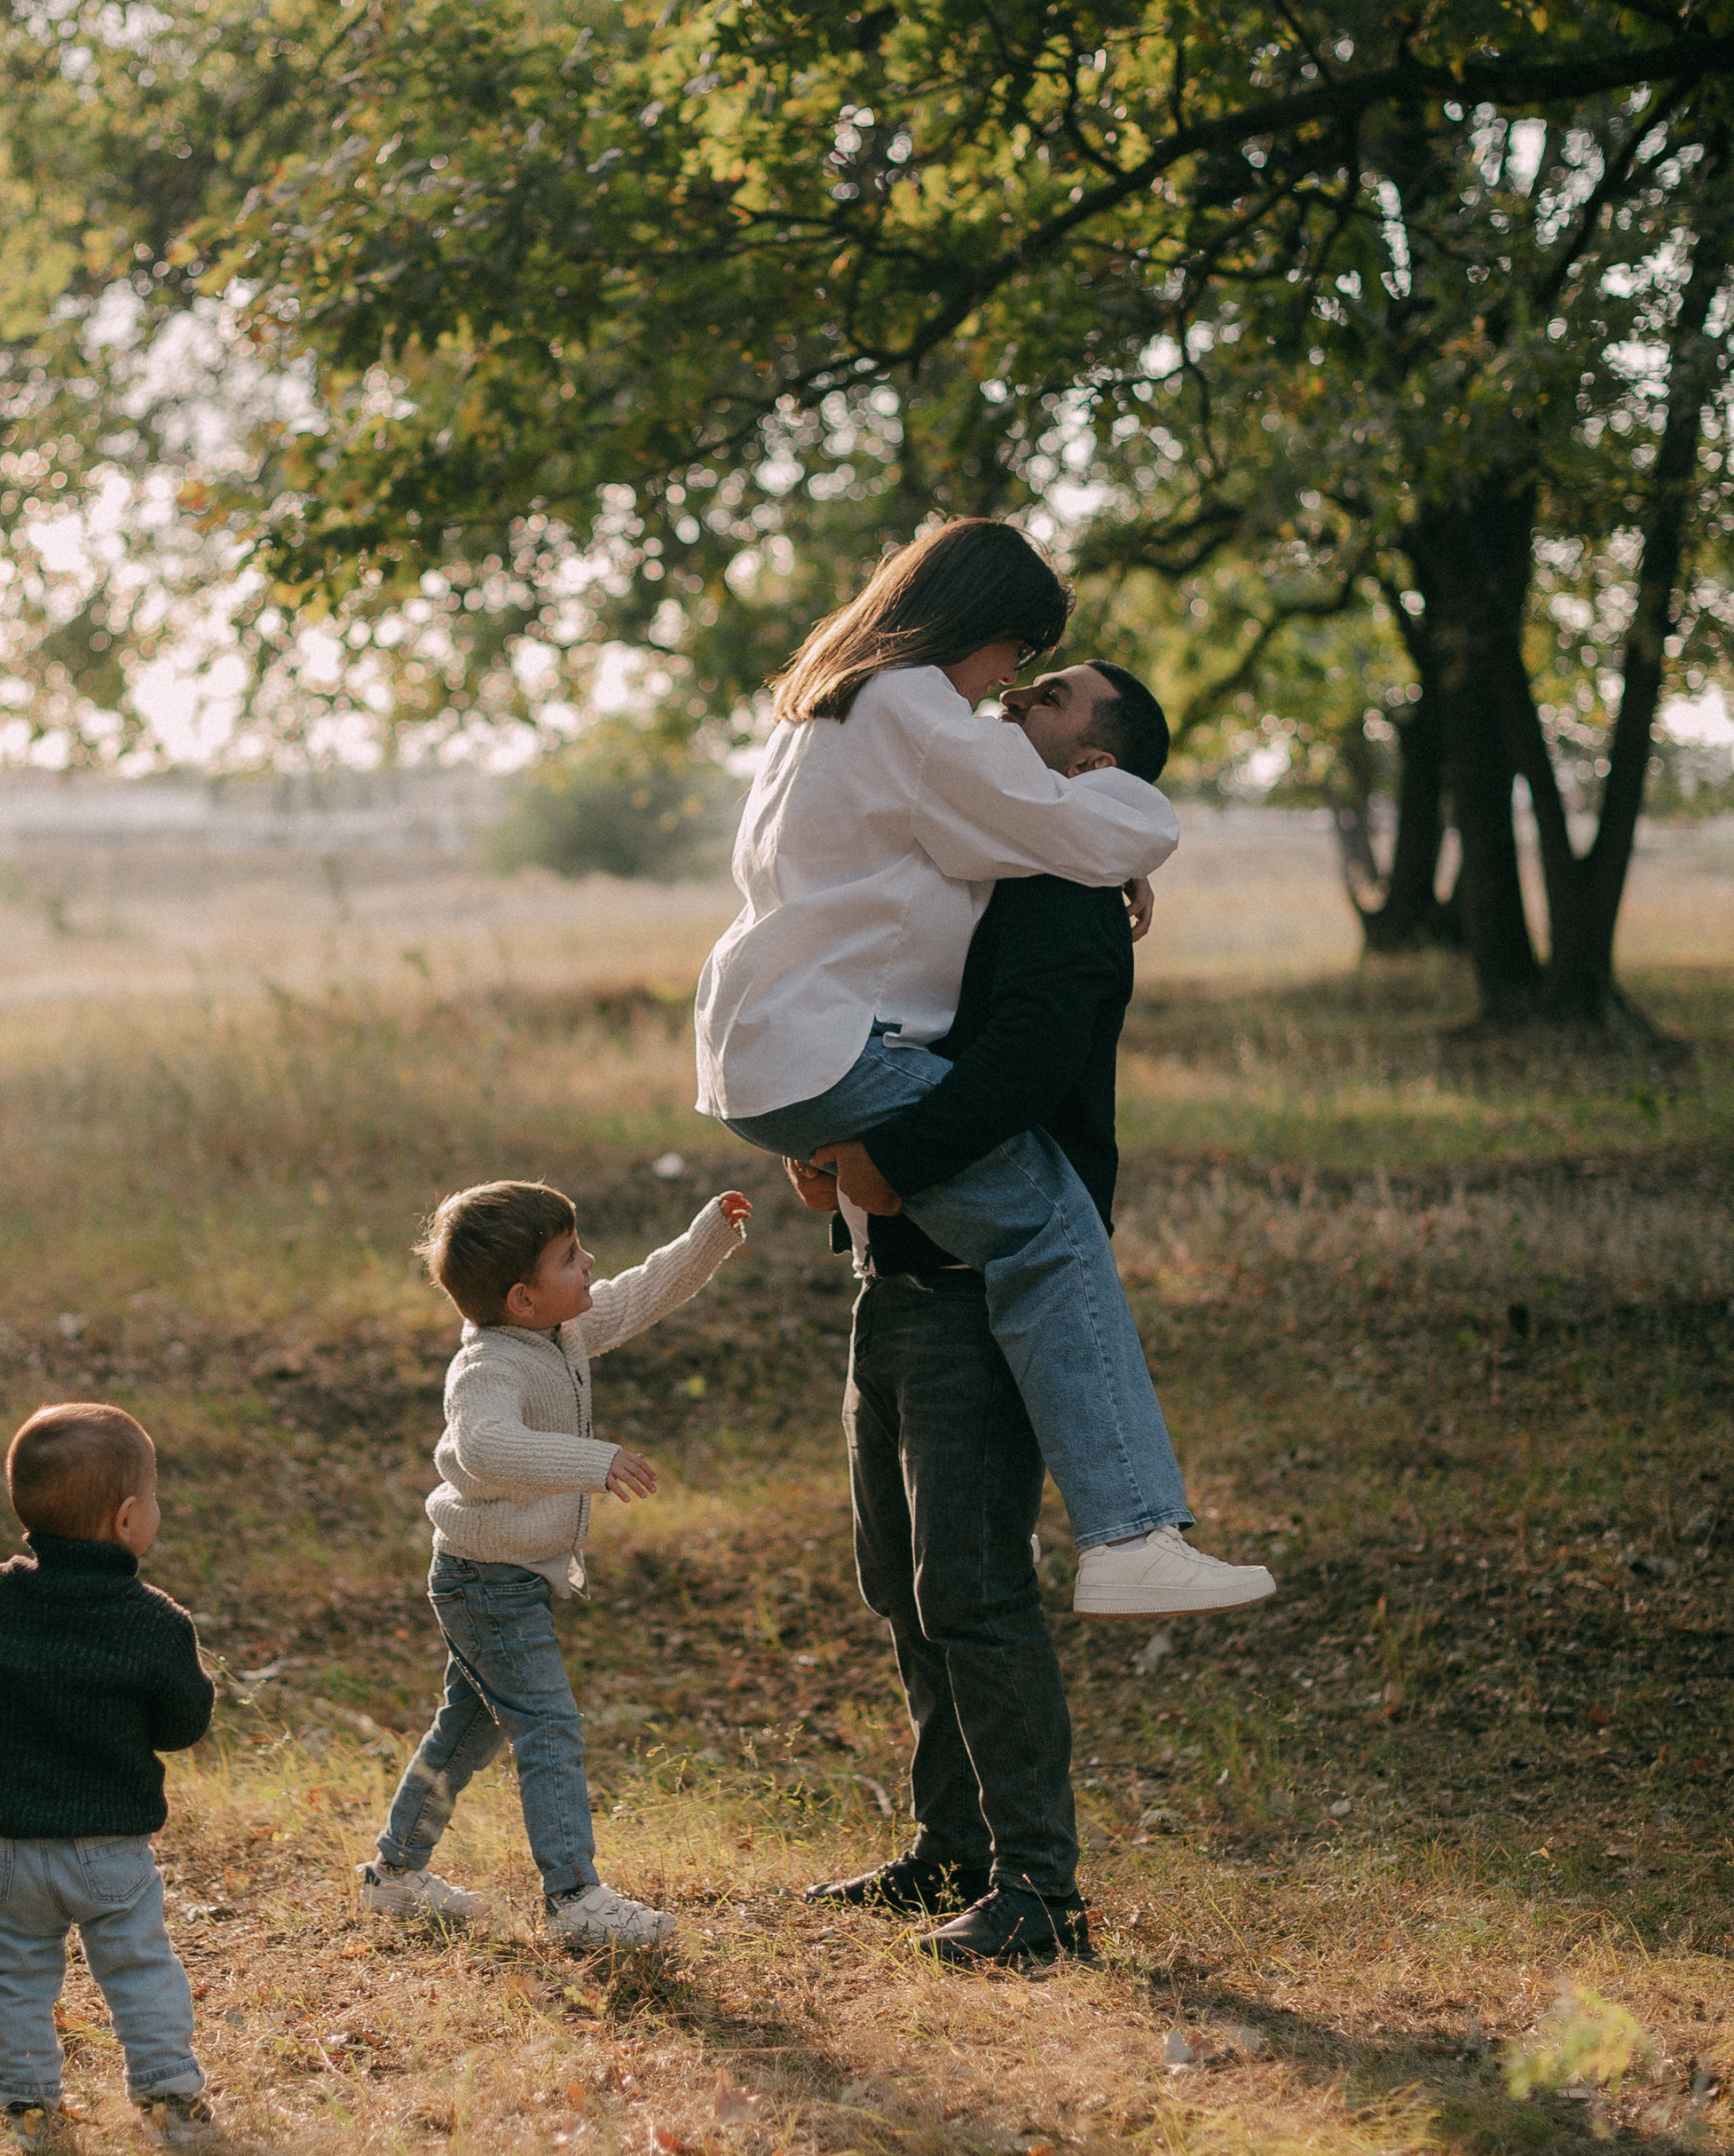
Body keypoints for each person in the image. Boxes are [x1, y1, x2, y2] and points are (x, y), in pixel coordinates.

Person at [695, 519, 1270, 1620]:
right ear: (976, 619)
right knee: (1053, 1225)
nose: (1008, 681)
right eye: (1017, 649)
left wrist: (1089, 845)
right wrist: (1120, 845)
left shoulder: (833, 705)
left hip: (763, 1042)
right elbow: (1084, 829)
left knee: (1015, 1220)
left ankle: (1116, 1533)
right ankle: (1127, 1534)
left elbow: (995, 838)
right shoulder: (916, 708)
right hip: (825, 1040)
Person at [795, 655, 1253, 1968]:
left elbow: (1028, 1057)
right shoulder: (984, 857)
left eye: (1046, 697)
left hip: (981, 1292)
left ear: (1094, 764)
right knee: (901, 1582)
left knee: (974, 1587)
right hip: (890, 1268)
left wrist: (900, 1157)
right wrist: (834, 1151)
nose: (1011, 704)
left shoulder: (1065, 893)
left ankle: (1040, 1892)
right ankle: (949, 1849)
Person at [359, 1179, 751, 1949]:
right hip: (485, 1581)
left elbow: (639, 1294)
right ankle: (574, 1897)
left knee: (467, 1732)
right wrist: (594, 1461)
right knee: (548, 1726)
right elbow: (484, 1448)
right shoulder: (488, 1370)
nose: (590, 1264)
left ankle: (395, 1876)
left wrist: (709, 1235)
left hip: (502, 1574)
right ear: (521, 1300)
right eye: (571, 1258)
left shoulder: (559, 1333)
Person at [0, 1402, 217, 2152]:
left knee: (16, 1980)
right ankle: (168, 2094)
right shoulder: (156, 1622)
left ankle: (25, 2106)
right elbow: (183, 1727)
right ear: (129, 1519)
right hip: (105, 1847)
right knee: (137, 1970)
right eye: (155, 1498)